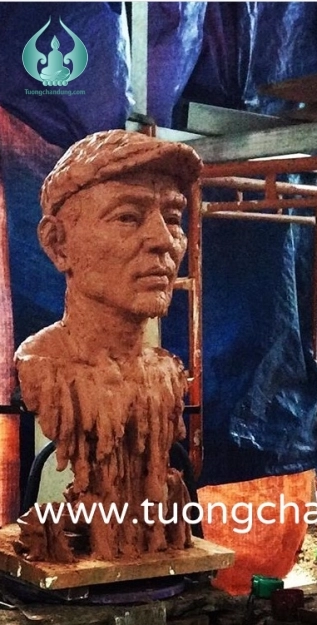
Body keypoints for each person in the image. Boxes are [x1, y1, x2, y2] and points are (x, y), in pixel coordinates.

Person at [14, 130, 202, 561]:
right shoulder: (44, 363)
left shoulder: (167, 373)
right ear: (58, 244)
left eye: (173, 217)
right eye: (127, 217)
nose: (163, 240)